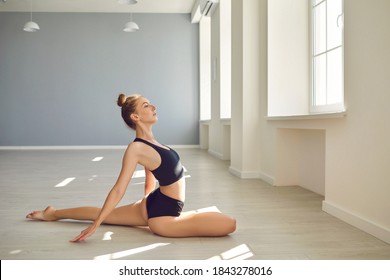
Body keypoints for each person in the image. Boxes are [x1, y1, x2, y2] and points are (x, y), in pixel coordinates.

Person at [26, 93, 236, 242]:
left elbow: (150, 174)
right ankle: (59, 216)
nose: (153, 107)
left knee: (103, 214)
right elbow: (119, 189)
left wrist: (146, 197)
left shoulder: (153, 142)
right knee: (230, 224)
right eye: (146, 105)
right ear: (135, 117)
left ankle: (52, 214)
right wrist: (96, 226)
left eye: (151, 104)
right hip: (163, 218)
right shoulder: (135, 148)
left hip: (154, 202)